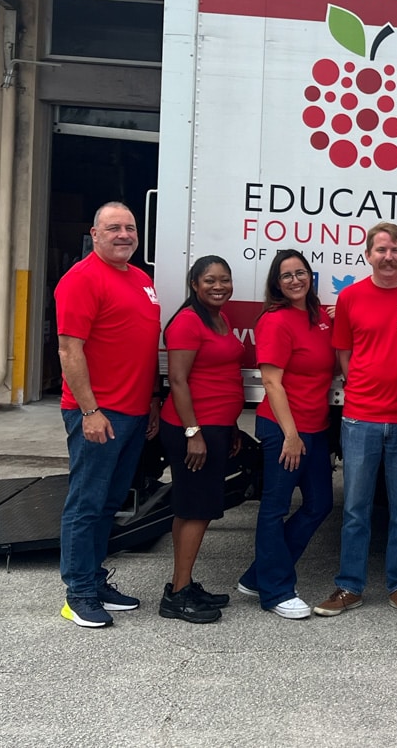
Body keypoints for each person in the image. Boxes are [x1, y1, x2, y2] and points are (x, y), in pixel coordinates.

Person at [316, 222, 397, 619]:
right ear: (368, 254)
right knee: (356, 508)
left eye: (395, 249)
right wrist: (362, 386)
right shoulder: (351, 297)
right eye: (381, 250)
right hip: (360, 419)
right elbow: (344, 352)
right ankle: (349, 587)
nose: (389, 257)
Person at [56, 201, 161, 628]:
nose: (124, 235)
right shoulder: (81, 279)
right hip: (100, 413)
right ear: (95, 234)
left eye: (130, 228)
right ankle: (78, 593)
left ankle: (95, 581)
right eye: (114, 227)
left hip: (133, 413)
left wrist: (151, 399)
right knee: (86, 503)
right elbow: (69, 350)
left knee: (109, 505)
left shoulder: (140, 279)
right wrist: (90, 410)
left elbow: (142, 344)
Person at [237, 249, 335, 620]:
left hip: (316, 427)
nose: (295, 280)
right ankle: (275, 590)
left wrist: (336, 318)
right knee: (275, 508)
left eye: (301, 272)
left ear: (311, 276)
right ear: (276, 284)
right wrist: (291, 435)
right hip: (285, 429)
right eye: (286, 275)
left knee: (320, 504)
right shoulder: (275, 321)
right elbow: (272, 383)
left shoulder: (317, 315)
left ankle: (258, 575)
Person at [157, 255, 244, 624]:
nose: (218, 286)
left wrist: (231, 425)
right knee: (197, 510)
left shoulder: (218, 318)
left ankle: (183, 583)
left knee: (191, 507)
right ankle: (178, 596)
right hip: (193, 430)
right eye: (210, 280)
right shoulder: (188, 322)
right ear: (194, 284)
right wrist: (193, 433)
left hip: (215, 427)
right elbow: (178, 380)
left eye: (224, 279)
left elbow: (221, 375)